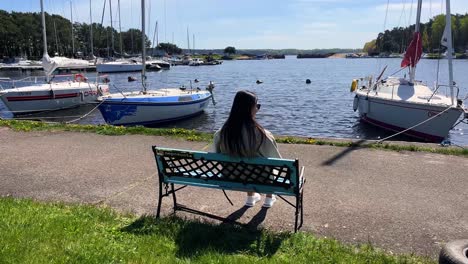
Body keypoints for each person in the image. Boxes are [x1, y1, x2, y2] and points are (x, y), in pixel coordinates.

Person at [213, 90, 282, 208]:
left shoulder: (222, 133)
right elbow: (277, 161)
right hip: (261, 179)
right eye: (257, 106)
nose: (258, 109)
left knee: (242, 162)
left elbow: (215, 154)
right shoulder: (263, 134)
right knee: (267, 164)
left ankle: (251, 197)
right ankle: (269, 198)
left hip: (232, 177)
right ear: (250, 108)